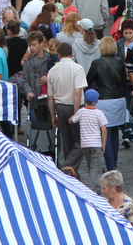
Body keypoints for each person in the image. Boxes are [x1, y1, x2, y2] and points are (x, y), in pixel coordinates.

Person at [85, 37, 128, 171]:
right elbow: (124, 82)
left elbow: (88, 81)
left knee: (106, 134)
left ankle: (110, 166)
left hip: (103, 101)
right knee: (114, 133)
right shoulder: (120, 62)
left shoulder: (97, 63)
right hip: (119, 100)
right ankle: (113, 164)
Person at [47, 41, 87, 170]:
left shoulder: (52, 71)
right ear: (72, 54)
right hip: (74, 106)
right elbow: (77, 92)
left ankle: (71, 174)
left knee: (67, 142)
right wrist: (76, 113)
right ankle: (66, 167)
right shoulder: (77, 68)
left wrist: (53, 115)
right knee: (81, 142)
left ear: (58, 55)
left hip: (60, 106)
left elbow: (50, 96)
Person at [69, 89, 107, 187]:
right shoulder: (99, 113)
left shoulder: (81, 112)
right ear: (97, 101)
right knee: (95, 167)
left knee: (90, 165)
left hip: (85, 144)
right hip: (96, 144)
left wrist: (73, 115)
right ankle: (95, 189)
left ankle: (95, 187)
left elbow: (71, 121)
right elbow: (104, 130)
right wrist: (104, 144)